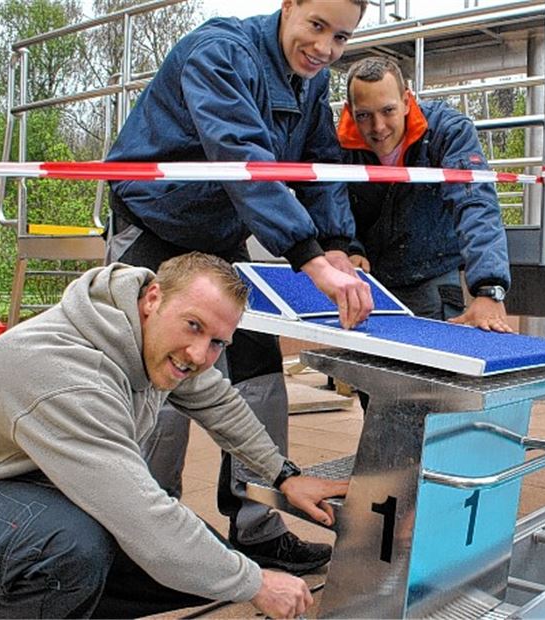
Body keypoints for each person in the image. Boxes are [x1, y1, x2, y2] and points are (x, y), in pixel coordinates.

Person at [0, 253, 347, 619]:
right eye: (194, 326)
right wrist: (255, 583)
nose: (200, 353)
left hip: (38, 493)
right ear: (152, 297)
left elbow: (220, 403)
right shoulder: (66, 374)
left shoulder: (152, 336)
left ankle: (10, 601)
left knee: (197, 565)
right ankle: (30, 591)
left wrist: (284, 474)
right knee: (71, 549)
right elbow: (141, 514)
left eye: (218, 342)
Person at [104, 0, 371, 574]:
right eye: (316, 26)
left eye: (342, 37)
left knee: (258, 375)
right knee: (158, 381)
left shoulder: (312, 79)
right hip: (155, 225)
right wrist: (305, 254)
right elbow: (241, 154)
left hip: (222, 235)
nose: (325, 48)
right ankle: (143, 536)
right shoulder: (220, 52)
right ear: (289, 6)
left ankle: (258, 524)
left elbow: (319, 166)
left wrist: (337, 247)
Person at [337, 56, 513, 332]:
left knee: (438, 366)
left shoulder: (448, 132)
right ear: (349, 110)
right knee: (368, 369)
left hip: (433, 273)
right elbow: (328, 201)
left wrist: (489, 287)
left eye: (388, 111)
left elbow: (475, 202)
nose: (378, 127)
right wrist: (349, 247)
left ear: (408, 101)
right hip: (368, 281)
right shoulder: (336, 145)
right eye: (364, 115)